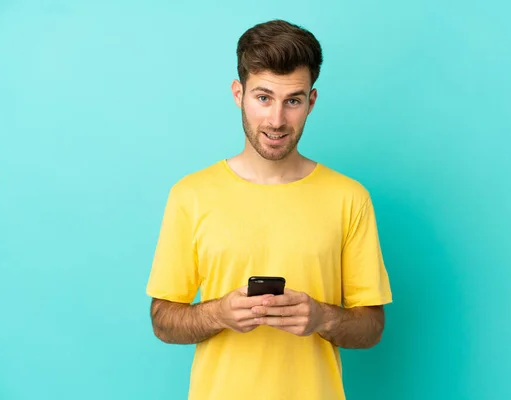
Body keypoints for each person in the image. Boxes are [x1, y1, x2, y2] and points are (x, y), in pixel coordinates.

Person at [146, 19, 392, 400]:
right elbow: (162, 320)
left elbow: (372, 327)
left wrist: (322, 317)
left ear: (311, 101)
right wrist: (218, 314)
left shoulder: (350, 197)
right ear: (238, 93)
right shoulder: (190, 194)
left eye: (292, 100)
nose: (276, 120)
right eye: (263, 98)